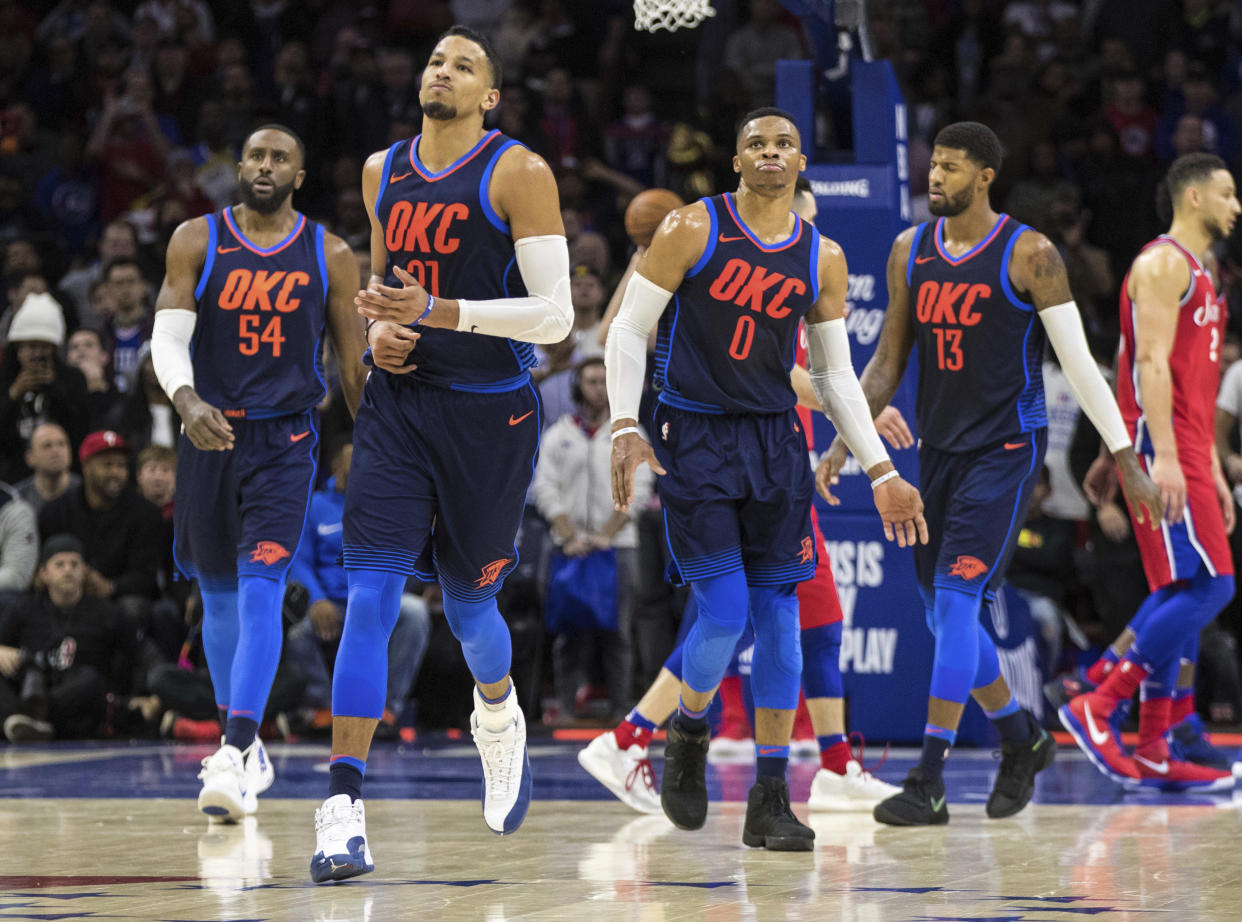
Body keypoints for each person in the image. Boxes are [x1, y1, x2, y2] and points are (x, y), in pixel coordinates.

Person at [819, 121, 1163, 826]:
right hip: (939, 453)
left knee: (953, 606)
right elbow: (886, 363)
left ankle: (930, 780)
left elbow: (1078, 363)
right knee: (940, 616)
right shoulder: (907, 250)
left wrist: (1125, 458)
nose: (933, 177)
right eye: (932, 165)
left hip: (1006, 452)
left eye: (949, 167)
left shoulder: (1029, 253)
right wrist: (841, 443)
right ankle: (1021, 736)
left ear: (985, 176)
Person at [606, 107, 924, 851]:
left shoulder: (824, 257)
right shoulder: (691, 228)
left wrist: (880, 470)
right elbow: (625, 328)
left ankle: (772, 795)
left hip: (776, 443)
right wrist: (626, 424)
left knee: (781, 617)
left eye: (784, 143)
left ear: (802, 159)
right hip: (696, 435)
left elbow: (835, 375)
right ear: (738, 161)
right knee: (722, 614)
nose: (772, 152)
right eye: (758, 143)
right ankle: (686, 727)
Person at [309, 26, 573, 882]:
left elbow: (557, 317)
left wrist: (440, 313)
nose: (441, 71)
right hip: (400, 410)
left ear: (490, 95)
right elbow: (384, 295)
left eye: (463, 65)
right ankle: (342, 807)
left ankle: (497, 716)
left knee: (467, 612)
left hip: (490, 416)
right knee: (370, 598)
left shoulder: (519, 172)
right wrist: (383, 330)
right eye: (432, 60)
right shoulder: (382, 170)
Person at [150, 123, 366, 823]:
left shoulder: (329, 253)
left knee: (260, 591)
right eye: (255, 155)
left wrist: (388, 441)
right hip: (208, 433)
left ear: (299, 176)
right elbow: (167, 337)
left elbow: (354, 368)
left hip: (284, 441)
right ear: (238, 166)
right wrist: (185, 399)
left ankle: (238, 745)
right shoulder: (195, 239)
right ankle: (239, 744)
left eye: (280, 158)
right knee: (214, 599)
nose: (265, 165)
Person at [1060, 153, 1241, 792]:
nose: (1235, 207)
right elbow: (1148, 366)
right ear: (1192, 198)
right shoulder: (1162, 263)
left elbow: (1148, 358)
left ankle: (1159, 742)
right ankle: (1100, 703)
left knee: (1185, 589)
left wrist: (1211, 469)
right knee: (1212, 588)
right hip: (1166, 441)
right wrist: (1149, 452)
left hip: (1185, 440)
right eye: (1226, 194)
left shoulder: (1206, 270)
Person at [534, 356, 652, 721]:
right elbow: (544, 486)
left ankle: (622, 710)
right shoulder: (558, 434)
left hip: (617, 547)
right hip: (567, 547)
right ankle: (565, 709)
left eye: (605, 382)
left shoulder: (631, 437)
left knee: (620, 631)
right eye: (592, 382)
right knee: (567, 633)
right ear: (577, 387)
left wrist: (605, 535)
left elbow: (641, 487)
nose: (599, 389)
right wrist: (570, 535)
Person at [286, 440, 430, 736]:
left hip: (376, 600)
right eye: (353, 458)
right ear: (336, 467)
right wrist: (316, 600)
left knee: (415, 613)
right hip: (332, 603)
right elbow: (298, 561)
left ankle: (386, 709)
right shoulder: (314, 507)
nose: (363, 464)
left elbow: (405, 556)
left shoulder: (386, 507)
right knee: (298, 632)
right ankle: (324, 707)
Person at [14, 422, 80, 512]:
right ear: (29, 458)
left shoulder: (86, 492)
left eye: (61, 444)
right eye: (47, 446)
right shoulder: (17, 499)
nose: (56, 451)